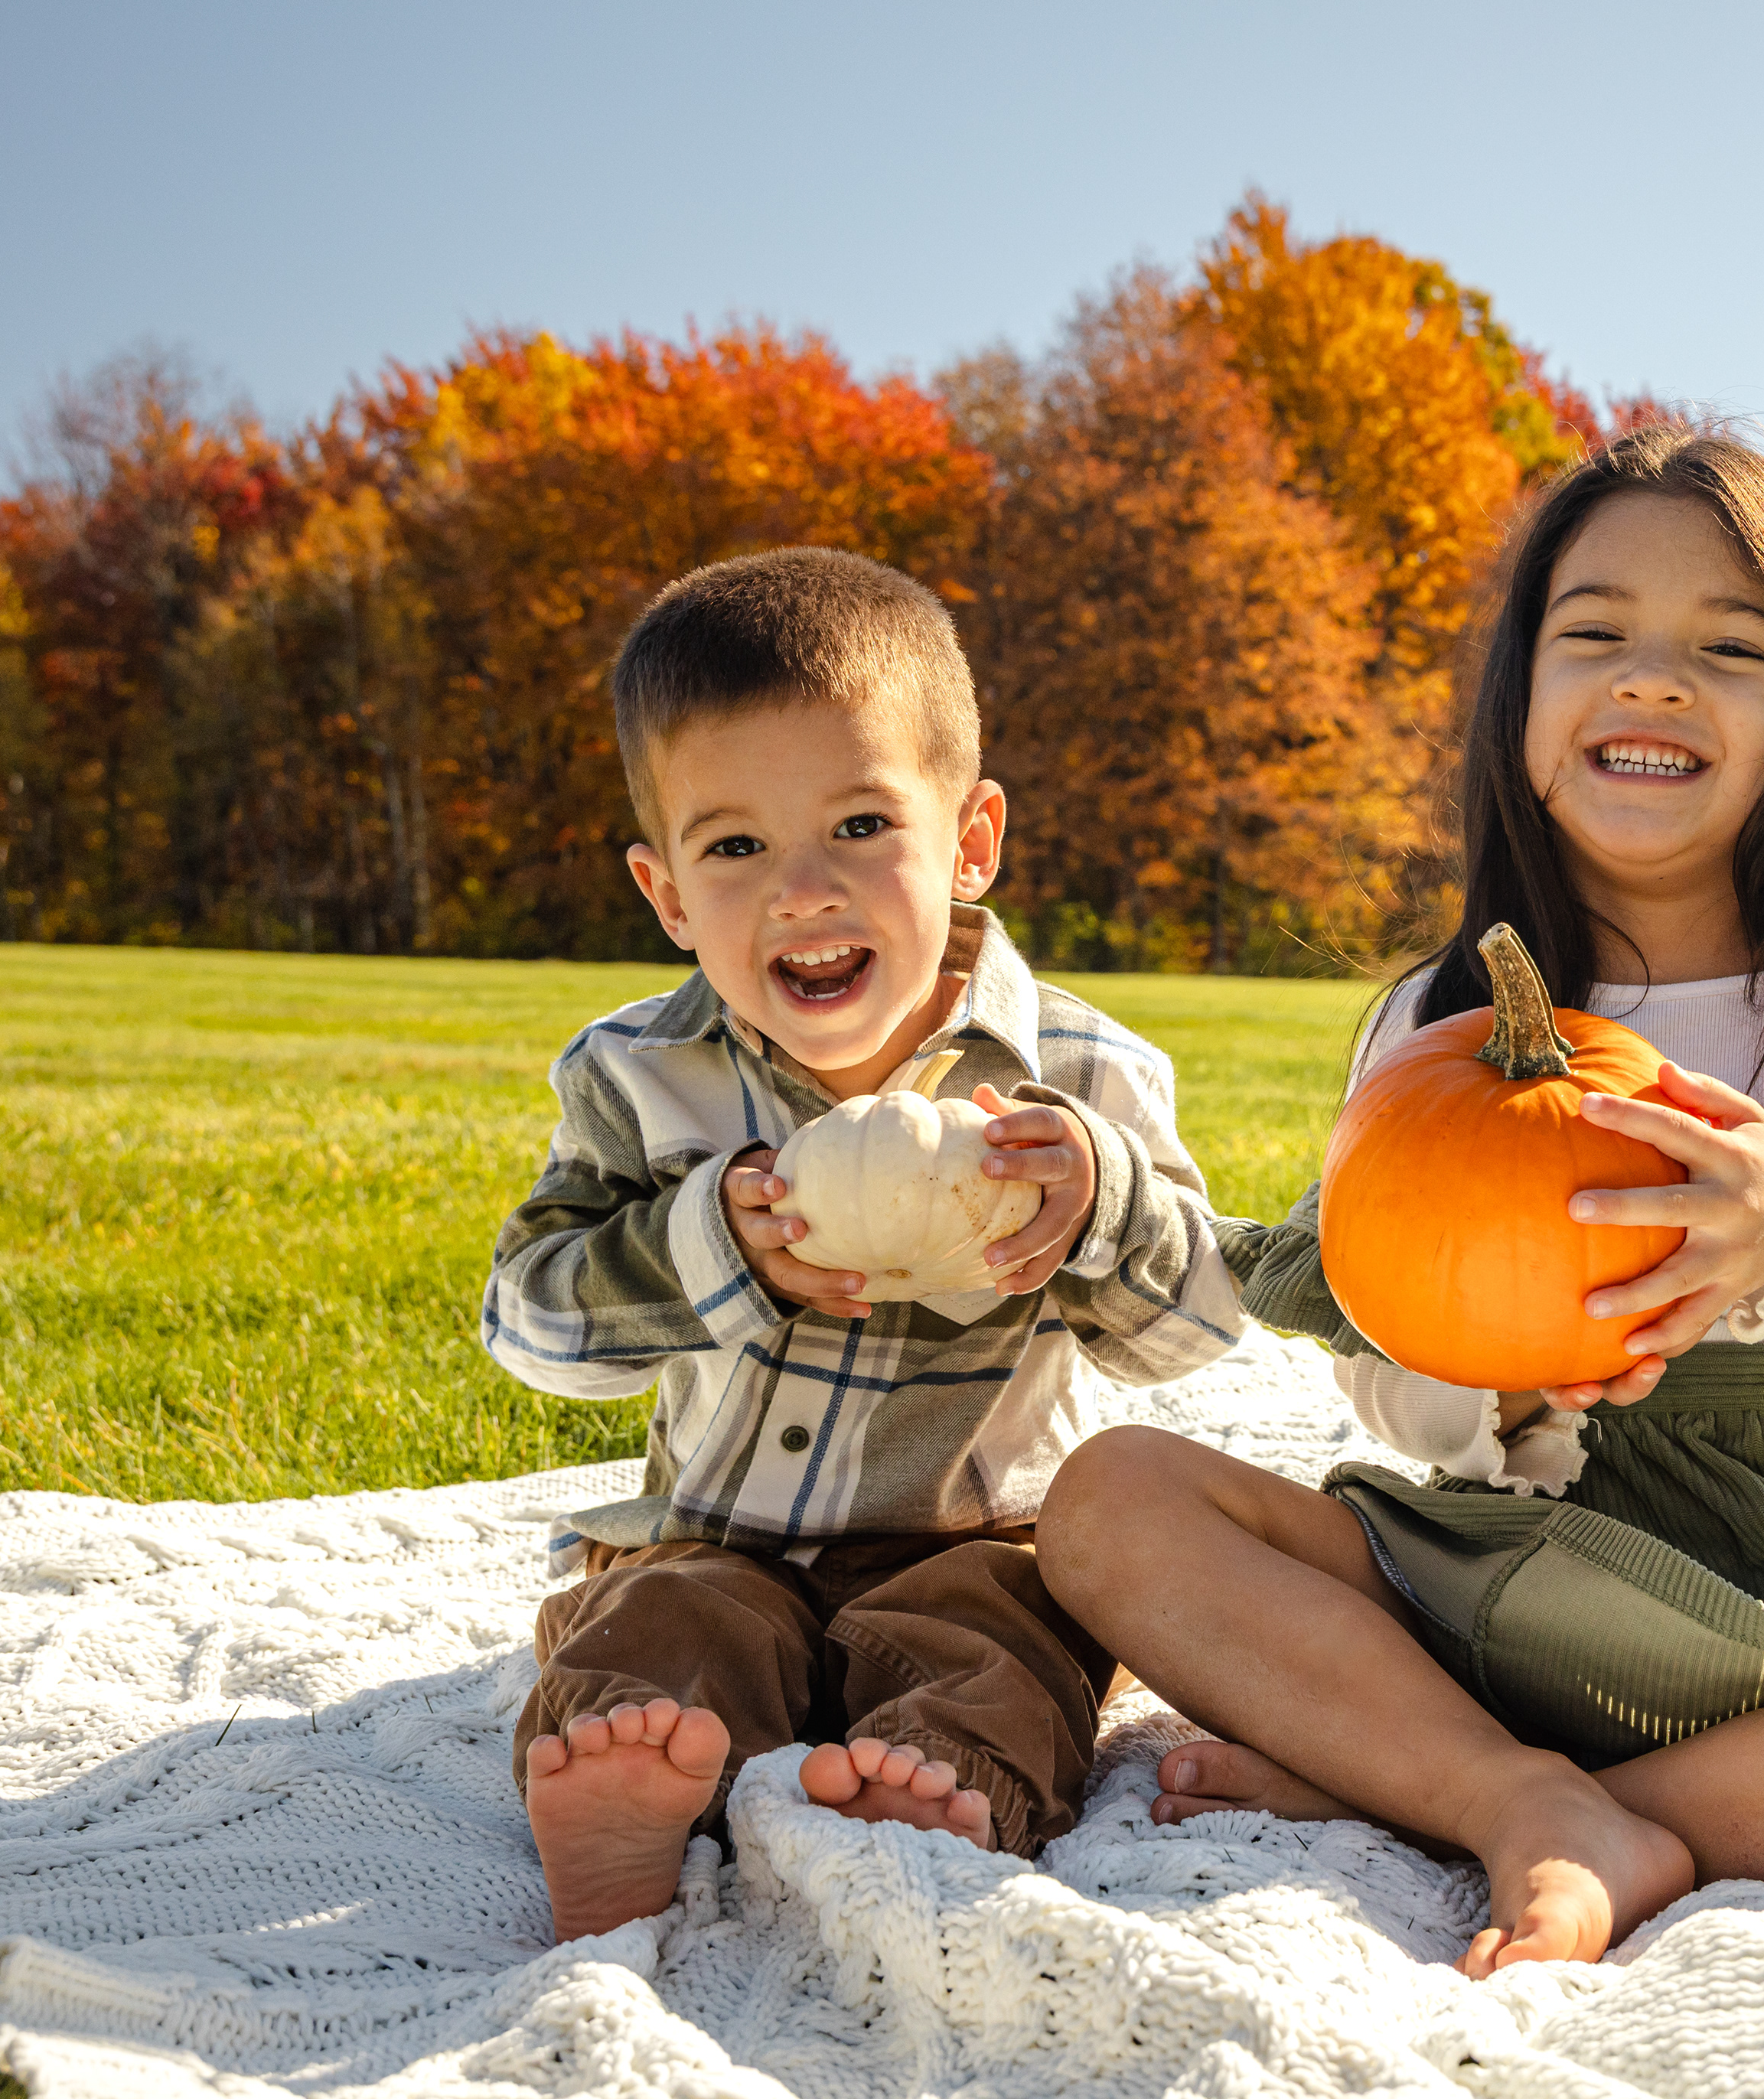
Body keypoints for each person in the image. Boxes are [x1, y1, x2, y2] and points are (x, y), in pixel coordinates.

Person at [1036, 424, 1764, 1979]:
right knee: (1112, 1500)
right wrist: (1494, 1381)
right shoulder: (1444, 1017)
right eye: (1596, 634)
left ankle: (1506, 1801)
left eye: (1729, 648)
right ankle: (1515, 1792)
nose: (1653, 681)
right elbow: (1383, 1372)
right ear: (1523, 695)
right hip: (1507, 1568)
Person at [482, 548, 1241, 1941]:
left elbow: (1197, 1329)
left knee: (1001, 1650)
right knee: (661, 1633)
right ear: (666, 894)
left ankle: (938, 1790)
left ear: (970, 840)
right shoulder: (640, 1077)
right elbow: (529, 1325)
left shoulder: (1079, 1074)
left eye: (859, 825)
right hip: (716, 1540)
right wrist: (707, 1250)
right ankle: (626, 1793)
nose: (803, 890)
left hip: (975, 1543)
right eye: (734, 848)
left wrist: (1098, 1209)